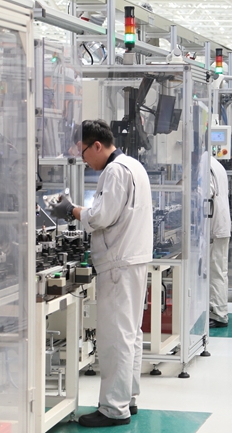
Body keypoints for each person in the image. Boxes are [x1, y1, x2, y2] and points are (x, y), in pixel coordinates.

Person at [48, 119, 153, 427]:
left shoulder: (115, 171)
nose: (84, 161)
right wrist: (80, 211)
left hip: (119, 264)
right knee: (130, 333)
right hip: (132, 260)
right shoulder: (133, 166)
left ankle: (113, 409)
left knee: (115, 337)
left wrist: (71, 210)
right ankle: (127, 398)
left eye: (83, 153)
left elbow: (100, 217)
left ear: (97, 145)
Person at [208, 156, 231, 327]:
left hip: (214, 227)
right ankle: (219, 310)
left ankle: (218, 314)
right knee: (220, 271)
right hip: (221, 224)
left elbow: (205, 194)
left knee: (216, 272)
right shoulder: (216, 165)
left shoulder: (205, 166)